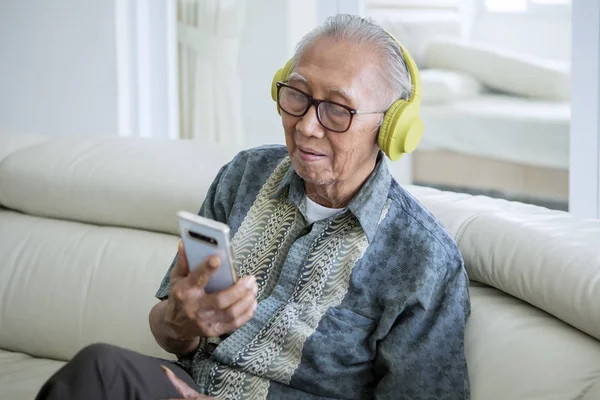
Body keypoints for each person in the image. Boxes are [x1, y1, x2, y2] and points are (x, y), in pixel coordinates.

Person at [36, 14, 470, 400]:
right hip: (186, 388)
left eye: (337, 109)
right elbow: (170, 335)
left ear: (392, 127)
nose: (305, 126)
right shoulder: (244, 175)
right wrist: (182, 320)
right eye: (297, 95)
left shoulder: (425, 259)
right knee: (101, 369)